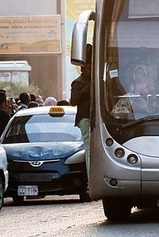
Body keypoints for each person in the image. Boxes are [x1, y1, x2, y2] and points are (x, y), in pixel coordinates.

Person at [70, 46, 92, 201]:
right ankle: (91, 182)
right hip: (85, 118)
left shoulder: (95, 80)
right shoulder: (78, 82)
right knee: (89, 149)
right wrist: (84, 91)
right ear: (84, 68)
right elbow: (73, 101)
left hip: (95, 118)